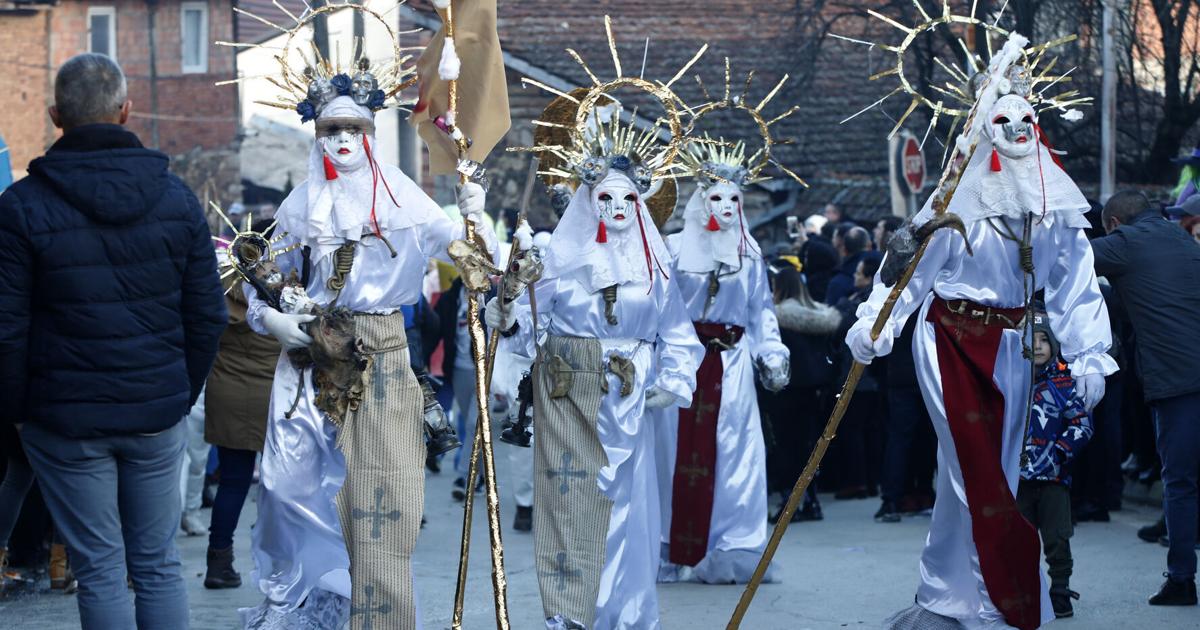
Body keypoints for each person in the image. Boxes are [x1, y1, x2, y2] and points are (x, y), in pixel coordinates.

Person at [850, 72, 1116, 629]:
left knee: (990, 472)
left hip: (1014, 345)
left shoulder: (1053, 204)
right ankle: (999, 597)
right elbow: (908, 271)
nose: (1017, 130)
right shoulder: (954, 199)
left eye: (1026, 123)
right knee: (975, 467)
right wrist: (879, 323)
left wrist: (1091, 353)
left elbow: (1076, 282)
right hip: (949, 338)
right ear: (986, 132)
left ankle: (945, 592)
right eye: (1003, 121)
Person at [239, 77, 495, 627]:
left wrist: (474, 216)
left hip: (379, 354)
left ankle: (375, 614)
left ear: (370, 133)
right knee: (289, 490)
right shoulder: (301, 203)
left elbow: (467, 256)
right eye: (332, 128)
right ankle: (308, 603)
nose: (343, 139)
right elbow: (261, 281)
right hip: (309, 360)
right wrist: (276, 320)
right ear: (318, 136)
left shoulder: (405, 197)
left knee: (376, 497)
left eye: (353, 127)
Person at [0, 53, 227, 629]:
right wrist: (179, 392)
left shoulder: (20, 207)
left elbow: (7, 328)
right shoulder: (177, 200)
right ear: (126, 111)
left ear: (55, 115)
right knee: (156, 564)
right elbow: (207, 315)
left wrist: (20, 413)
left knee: (99, 568)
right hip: (153, 410)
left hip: (64, 418)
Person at [487, 114, 702, 629]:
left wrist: (671, 382)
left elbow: (677, 334)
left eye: (629, 199)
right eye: (606, 198)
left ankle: (624, 613)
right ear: (589, 202)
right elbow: (525, 328)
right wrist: (505, 312)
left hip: (629, 401)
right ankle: (571, 613)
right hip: (568, 395)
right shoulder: (558, 261)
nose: (619, 208)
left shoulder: (656, 269)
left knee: (626, 512)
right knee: (570, 506)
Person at [654, 143, 790, 585]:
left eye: (735, 199)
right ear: (700, 200)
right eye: (717, 198)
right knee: (672, 455)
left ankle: (732, 545)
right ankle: (673, 548)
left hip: (731, 370)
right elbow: (659, 310)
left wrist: (771, 354)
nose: (727, 208)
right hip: (683, 365)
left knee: (736, 456)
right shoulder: (673, 251)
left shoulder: (750, 256)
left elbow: (760, 312)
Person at [1092, 190, 1200, 606]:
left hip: (1177, 381)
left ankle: (1181, 579)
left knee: (1180, 481)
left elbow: (1067, 259)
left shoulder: (1125, 244)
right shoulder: (1181, 240)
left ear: (1115, 225)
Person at [202, 240, 283, 589]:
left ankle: (218, 562)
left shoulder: (217, 291)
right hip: (274, 396)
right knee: (282, 484)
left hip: (227, 393)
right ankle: (280, 560)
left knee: (232, 482)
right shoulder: (280, 294)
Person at [1017, 312, 1093, 618]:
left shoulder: (1065, 383)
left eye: (1043, 340)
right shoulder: (1011, 383)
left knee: (1058, 537)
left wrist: (1060, 452)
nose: (1037, 346)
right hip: (1018, 478)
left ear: (1054, 344)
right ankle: (1023, 591)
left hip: (1054, 477)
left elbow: (1082, 424)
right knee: (1019, 539)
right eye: (1030, 340)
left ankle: (1060, 589)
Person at [762, 263, 840, 522]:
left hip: (786, 388)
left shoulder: (777, 317)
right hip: (817, 388)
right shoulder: (820, 316)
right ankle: (811, 499)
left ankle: (790, 501)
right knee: (810, 445)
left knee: (786, 446)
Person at [832, 252, 885, 500]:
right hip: (869, 378)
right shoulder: (853, 298)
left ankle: (861, 481)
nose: (854, 276)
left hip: (862, 378)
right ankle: (871, 479)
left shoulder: (860, 305)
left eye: (858, 272)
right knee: (867, 430)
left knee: (855, 431)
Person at [824, 225, 870, 305]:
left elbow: (831, 312)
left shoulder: (837, 282)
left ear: (844, 249)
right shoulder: (881, 271)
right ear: (869, 245)